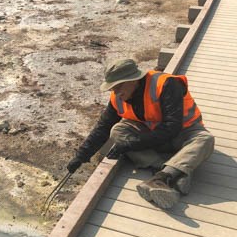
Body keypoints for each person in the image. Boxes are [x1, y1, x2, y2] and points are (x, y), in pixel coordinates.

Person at [67, 59, 214, 209]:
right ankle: (174, 171)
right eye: (112, 89)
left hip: (182, 134)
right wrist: (81, 156)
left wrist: (131, 144)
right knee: (117, 131)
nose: (116, 93)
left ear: (133, 80)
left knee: (205, 139)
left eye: (118, 87)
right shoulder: (118, 97)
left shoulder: (166, 84)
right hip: (153, 136)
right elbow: (103, 127)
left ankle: (162, 178)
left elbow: (172, 128)